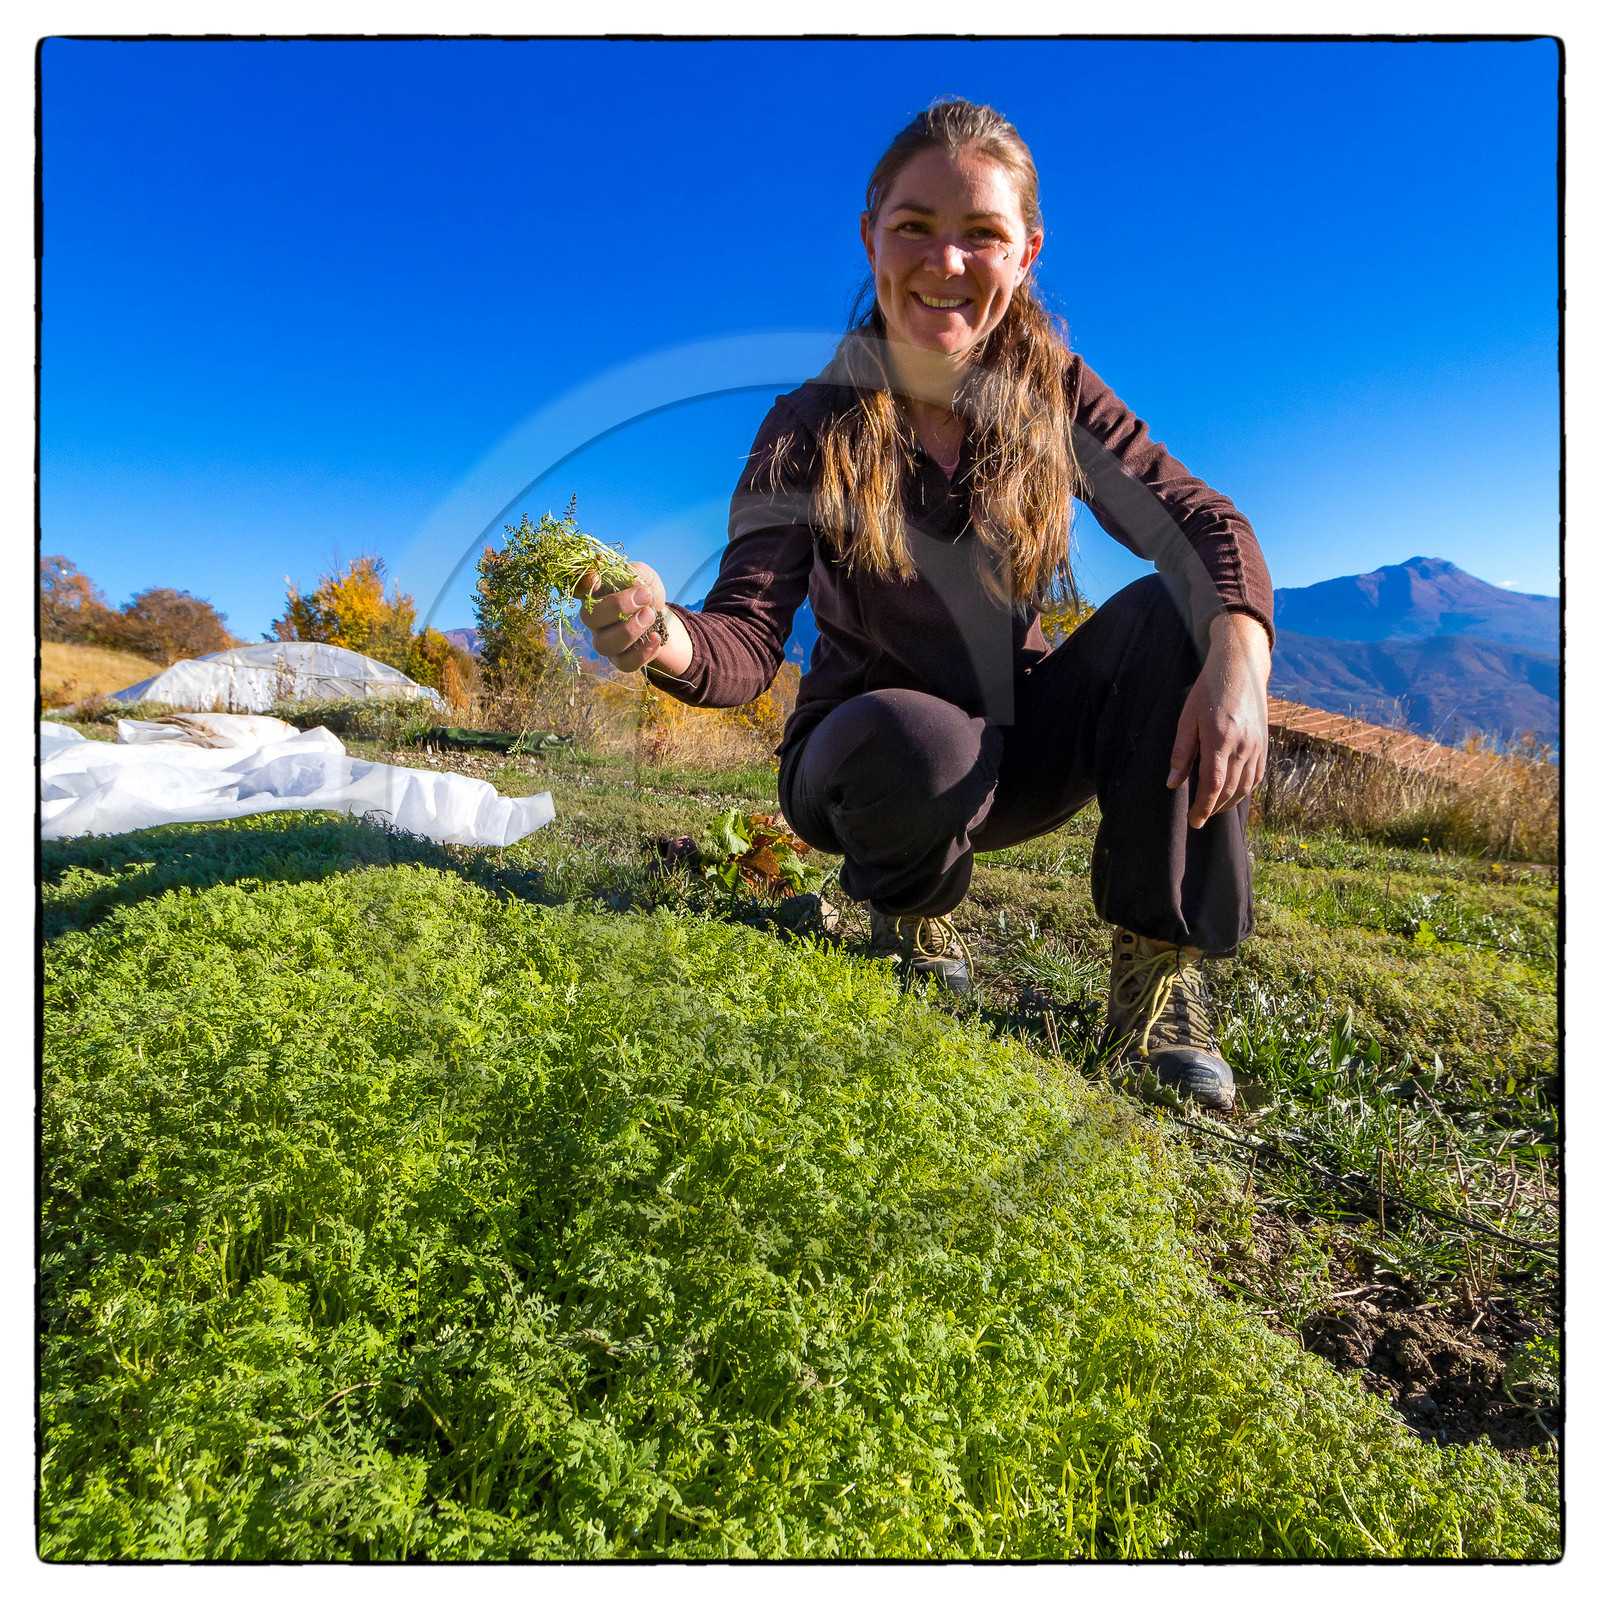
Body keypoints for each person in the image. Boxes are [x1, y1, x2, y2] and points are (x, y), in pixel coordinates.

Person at [577, 98, 1272, 1112]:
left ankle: (1158, 984)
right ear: (870, 237)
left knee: (1183, 613)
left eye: (981, 235)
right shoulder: (809, 425)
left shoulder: (1056, 392)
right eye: (914, 227)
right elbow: (743, 636)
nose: (946, 263)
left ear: (1025, 252)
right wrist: (662, 634)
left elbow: (1195, 517)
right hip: (864, 758)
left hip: (1016, 748)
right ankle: (907, 922)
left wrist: (1239, 658)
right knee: (908, 730)